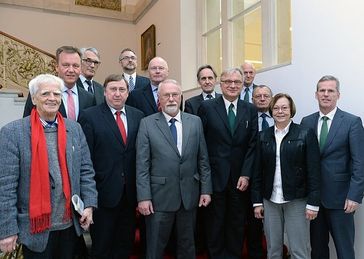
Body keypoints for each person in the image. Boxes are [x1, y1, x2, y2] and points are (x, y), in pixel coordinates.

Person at [0, 74, 97, 259]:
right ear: (34, 98)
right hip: (34, 230)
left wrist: (89, 205)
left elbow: (86, 172)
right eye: (45, 93)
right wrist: (6, 230)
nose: (52, 98)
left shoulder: (74, 129)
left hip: (70, 227)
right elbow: (5, 187)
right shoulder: (12, 133)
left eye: (56, 94)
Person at [136, 79, 212, 259]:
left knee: (187, 246)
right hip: (159, 197)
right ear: (159, 100)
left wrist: (206, 190)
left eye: (175, 95)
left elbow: (203, 159)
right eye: (166, 95)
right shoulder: (147, 123)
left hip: (189, 195)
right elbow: (142, 164)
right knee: (155, 247)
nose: (171, 99)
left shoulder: (195, 122)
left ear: (181, 97)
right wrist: (144, 197)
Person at [79, 74, 144, 258]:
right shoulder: (89, 116)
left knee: (125, 245)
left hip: (130, 196)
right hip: (102, 194)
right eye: (113, 89)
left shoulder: (137, 116)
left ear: (128, 92)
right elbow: (86, 158)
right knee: (101, 246)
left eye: (121, 89)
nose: (117, 94)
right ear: (105, 92)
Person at [301, 75, 364, 259]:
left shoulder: (352, 122)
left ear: (338, 95)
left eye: (330, 91)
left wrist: (355, 195)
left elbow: (360, 162)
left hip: (341, 200)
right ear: (316, 94)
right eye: (322, 90)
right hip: (314, 200)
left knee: (345, 251)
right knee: (318, 251)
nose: (326, 94)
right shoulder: (307, 122)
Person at [198, 68, 258, 258]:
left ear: (242, 85)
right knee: (214, 221)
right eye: (228, 82)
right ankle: (215, 254)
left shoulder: (250, 109)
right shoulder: (207, 108)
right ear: (220, 84)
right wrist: (205, 176)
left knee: (236, 221)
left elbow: (252, 144)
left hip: (240, 178)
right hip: (215, 176)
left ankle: (233, 254)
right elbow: (202, 144)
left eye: (237, 82)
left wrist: (246, 173)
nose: (233, 86)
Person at [252, 93, 321, 259]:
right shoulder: (263, 136)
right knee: (273, 251)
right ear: (271, 111)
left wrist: (313, 203)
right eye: (276, 108)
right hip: (270, 201)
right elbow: (257, 171)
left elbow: (314, 170)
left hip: (296, 200)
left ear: (291, 110)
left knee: (299, 251)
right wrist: (256, 202)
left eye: (284, 108)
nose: (280, 111)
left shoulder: (305, 133)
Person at [23, 46, 95, 120]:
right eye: (66, 65)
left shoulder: (89, 98)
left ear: (80, 68)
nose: (71, 70)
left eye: (75, 66)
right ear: (56, 67)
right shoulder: (38, 93)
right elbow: (27, 123)